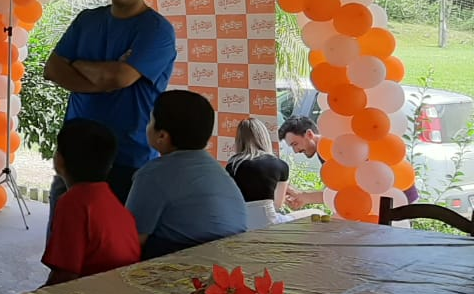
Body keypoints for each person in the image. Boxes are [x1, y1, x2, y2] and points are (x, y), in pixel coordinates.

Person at [44, 0, 176, 217]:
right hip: (76, 153)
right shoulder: (87, 20)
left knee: (116, 242)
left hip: (127, 158)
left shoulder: (157, 30)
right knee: (64, 238)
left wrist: (78, 65)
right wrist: (105, 80)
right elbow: (53, 69)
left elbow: (119, 77)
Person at [127, 90, 247, 259]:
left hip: (189, 264)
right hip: (233, 260)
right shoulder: (216, 170)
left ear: (162, 136)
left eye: (150, 121)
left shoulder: (153, 174)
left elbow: (132, 239)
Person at [40, 119, 141, 286]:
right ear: (109, 166)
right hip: (121, 286)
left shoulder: (73, 203)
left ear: (59, 160)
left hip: (95, 291)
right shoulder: (110, 200)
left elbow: (65, 275)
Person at [281, 116, 419, 207]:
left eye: (295, 144)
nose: (295, 151)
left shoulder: (334, 148)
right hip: (392, 198)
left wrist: (304, 196)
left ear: (309, 134)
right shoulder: (327, 149)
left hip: (398, 198)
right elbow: (340, 192)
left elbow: (345, 193)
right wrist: (303, 197)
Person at [226, 118, 289, 211]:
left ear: (239, 140)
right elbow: (278, 205)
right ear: (265, 137)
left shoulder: (232, 166)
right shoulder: (281, 166)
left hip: (240, 218)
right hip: (267, 218)